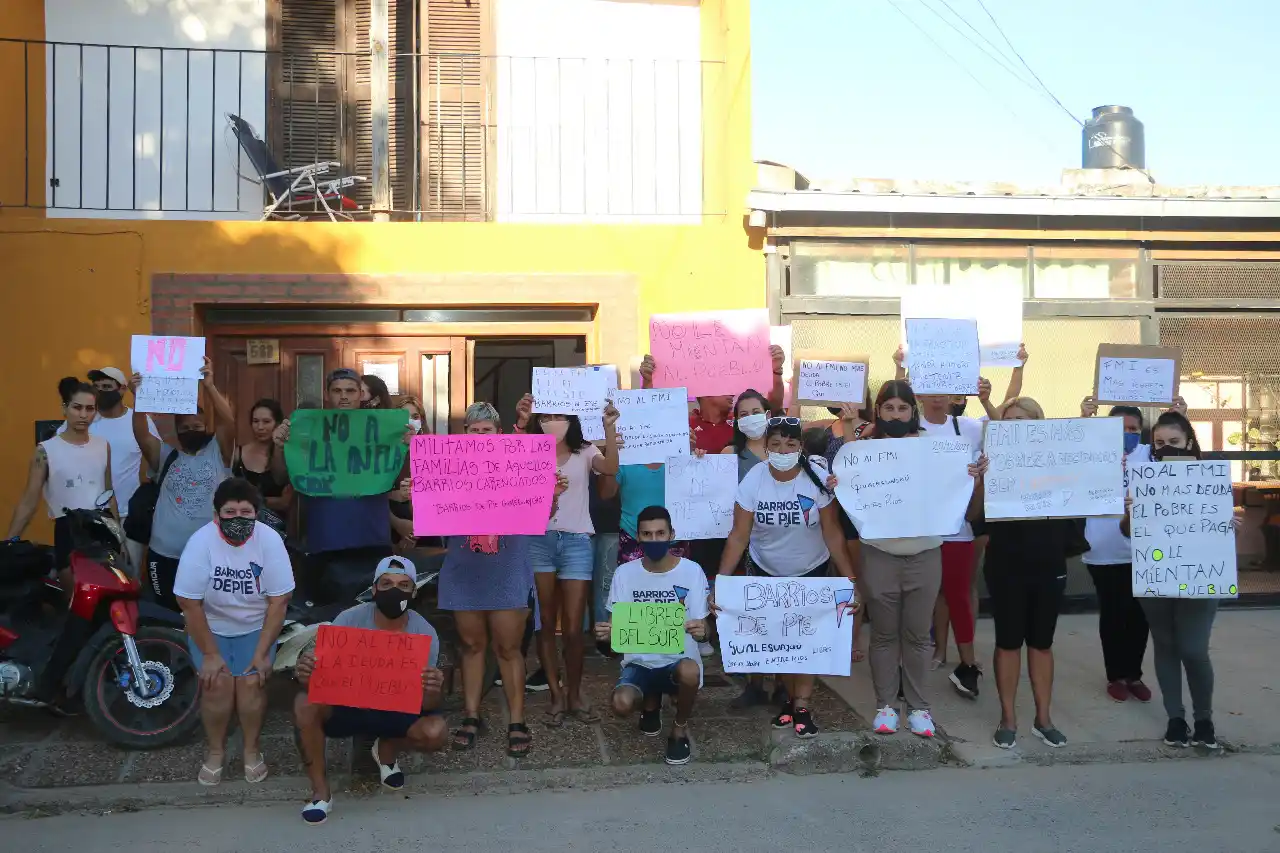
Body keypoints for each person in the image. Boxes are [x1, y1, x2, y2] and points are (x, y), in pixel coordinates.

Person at [856, 381, 985, 739]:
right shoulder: (863, 452)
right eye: (888, 408)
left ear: (913, 411)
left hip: (925, 553)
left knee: (916, 635)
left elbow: (952, 492)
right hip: (880, 553)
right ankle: (885, 705)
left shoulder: (937, 449)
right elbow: (852, 499)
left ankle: (919, 708)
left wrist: (972, 479)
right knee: (883, 634)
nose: (895, 415)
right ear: (879, 411)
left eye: (902, 408)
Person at [439, 402, 567, 758]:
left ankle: (516, 720)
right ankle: (471, 715)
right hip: (464, 567)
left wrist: (551, 497)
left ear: (499, 434)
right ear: (464, 433)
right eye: (473, 429)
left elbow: (542, 515)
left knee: (509, 648)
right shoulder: (447, 467)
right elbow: (431, 510)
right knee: (471, 646)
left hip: (508, 564)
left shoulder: (519, 465)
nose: (479, 436)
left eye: (486, 430)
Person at [716, 416, 857, 737]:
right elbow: (739, 534)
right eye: (775, 444)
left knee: (806, 640)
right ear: (766, 448)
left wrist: (850, 580)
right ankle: (789, 700)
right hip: (767, 570)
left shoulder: (817, 478)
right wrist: (721, 582)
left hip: (811, 570)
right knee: (780, 641)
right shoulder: (753, 479)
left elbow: (833, 533)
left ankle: (802, 705)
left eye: (790, 444)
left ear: (801, 447)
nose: (782, 450)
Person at [293, 556, 446, 825]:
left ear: (413, 591)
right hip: (349, 703)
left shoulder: (425, 632)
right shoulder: (348, 619)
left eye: (402, 584)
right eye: (386, 583)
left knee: (436, 732)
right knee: (304, 704)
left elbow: (428, 703)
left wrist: (434, 688)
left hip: (397, 707)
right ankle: (320, 793)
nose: (394, 590)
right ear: (373, 589)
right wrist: (306, 674)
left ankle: (387, 748)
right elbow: (321, 679)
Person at [173, 477, 294, 785]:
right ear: (216, 515)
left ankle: (252, 750)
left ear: (257, 514)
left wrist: (262, 652)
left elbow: (279, 602)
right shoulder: (201, 542)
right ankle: (215, 752)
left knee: (252, 684)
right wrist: (211, 654)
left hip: (256, 624)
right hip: (210, 626)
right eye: (229, 512)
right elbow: (188, 602)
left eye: (246, 512)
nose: (238, 518)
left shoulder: (269, 540)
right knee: (217, 686)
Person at [1123, 412, 1231, 750]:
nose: (1165, 448)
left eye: (1173, 442)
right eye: (1158, 443)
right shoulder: (1143, 478)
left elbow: (1221, 526)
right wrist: (1131, 512)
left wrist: (1231, 526)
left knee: (1194, 649)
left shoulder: (1211, 479)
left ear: (1189, 443)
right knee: (1165, 645)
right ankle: (1176, 719)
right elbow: (1127, 532)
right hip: (1157, 574)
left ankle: (1204, 719)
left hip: (1200, 576)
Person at [520, 396, 620, 725]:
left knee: (575, 628)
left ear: (572, 418)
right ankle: (555, 695)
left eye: (559, 414)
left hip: (578, 540)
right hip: (538, 540)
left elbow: (610, 468)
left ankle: (575, 693)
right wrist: (520, 423)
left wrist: (609, 428)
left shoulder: (586, 450)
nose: (553, 420)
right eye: (546, 415)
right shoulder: (528, 449)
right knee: (545, 623)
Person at [983, 397, 1075, 750]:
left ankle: (1043, 718)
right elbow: (976, 515)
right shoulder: (992, 464)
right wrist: (981, 479)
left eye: (1024, 420)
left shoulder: (1057, 463)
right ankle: (1008, 718)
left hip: (1049, 562)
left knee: (1042, 643)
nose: (1016, 426)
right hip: (1005, 562)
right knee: (1007, 642)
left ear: (1039, 423)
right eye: (1009, 421)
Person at [270, 368, 399, 606]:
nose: (344, 396)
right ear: (327, 394)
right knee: (328, 622)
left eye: (350, 391)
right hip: (324, 541)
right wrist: (279, 447)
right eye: (337, 390)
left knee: (371, 623)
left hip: (371, 541)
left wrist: (409, 446)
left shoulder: (382, 430)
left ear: (361, 394)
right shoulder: (308, 430)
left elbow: (401, 480)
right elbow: (279, 477)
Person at [595, 506, 710, 765]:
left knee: (690, 671)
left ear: (672, 534)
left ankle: (679, 729)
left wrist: (704, 633)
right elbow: (616, 634)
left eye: (661, 533)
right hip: (639, 663)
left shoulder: (692, 571)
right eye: (647, 534)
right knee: (621, 704)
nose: (654, 539)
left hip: (678, 661)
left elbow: (704, 629)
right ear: (638, 536)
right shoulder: (625, 573)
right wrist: (606, 635)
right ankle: (651, 701)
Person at [131, 358, 234, 611]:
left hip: (209, 556)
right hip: (163, 555)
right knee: (166, 614)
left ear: (206, 427)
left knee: (208, 615)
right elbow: (142, 435)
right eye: (185, 428)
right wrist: (139, 400)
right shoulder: (166, 456)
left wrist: (209, 386)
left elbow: (229, 421)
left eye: (197, 426)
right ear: (177, 432)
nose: (191, 430)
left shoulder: (218, 453)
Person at [1079, 400, 1152, 703]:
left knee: (1140, 615)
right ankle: (1115, 675)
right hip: (1103, 550)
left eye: (1134, 429)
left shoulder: (1150, 455)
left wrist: (1181, 415)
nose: (1128, 434)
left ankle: (1133, 675)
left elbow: (1184, 459)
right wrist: (1085, 419)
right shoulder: (1090, 454)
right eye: (1121, 429)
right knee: (1113, 613)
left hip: (1142, 550)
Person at [7, 378, 117, 579]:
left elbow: (109, 493)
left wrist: (120, 538)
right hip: (69, 529)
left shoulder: (103, 446)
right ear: (65, 408)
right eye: (77, 407)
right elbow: (29, 500)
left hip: (102, 527)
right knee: (74, 596)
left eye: (90, 409)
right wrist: (10, 541)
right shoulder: (45, 450)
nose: (84, 415)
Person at [56, 366, 159, 575]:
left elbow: (156, 457)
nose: (100, 390)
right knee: (89, 578)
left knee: (127, 577)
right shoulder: (83, 420)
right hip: (87, 516)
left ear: (122, 390)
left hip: (127, 517)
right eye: (96, 387)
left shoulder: (140, 421)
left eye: (106, 386)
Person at [230, 399, 292, 538]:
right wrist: (269, 501)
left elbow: (286, 502)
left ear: (277, 423)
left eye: (266, 421)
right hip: (240, 533)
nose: (260, 427)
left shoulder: (287, 456)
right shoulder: (238, 454)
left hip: (275, 533)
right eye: (255, 421)